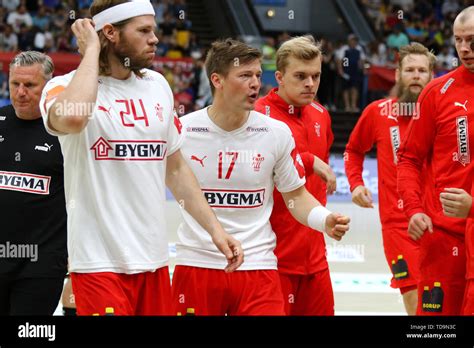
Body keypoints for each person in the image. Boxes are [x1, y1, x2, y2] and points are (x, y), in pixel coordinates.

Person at [39, 0, 243, 316]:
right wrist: (91, 51)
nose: (155, 39)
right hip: (98, 264)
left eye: (154, 30)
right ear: (110, 33)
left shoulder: (157, 86)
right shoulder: (63, 87)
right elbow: (73, 119)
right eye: (144, 30)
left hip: (154, 262)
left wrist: (214, 230)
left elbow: (175, 169)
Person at [172, 38, 350, 316]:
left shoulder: (276, 133)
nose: (255, 83)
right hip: (198, 262)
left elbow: (296, 196)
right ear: (216, 80)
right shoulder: (183, 131)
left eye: (257, 75)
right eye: (245, 76)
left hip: (259, 266)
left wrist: (323, 219)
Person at [345, 42, 436, 315]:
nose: (416, 75)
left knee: (439, 299)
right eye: (410, 70)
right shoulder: (377, 112)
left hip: (440, 221)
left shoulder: (444, 113)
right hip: (399, 226)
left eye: (422, 70)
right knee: (415, 295)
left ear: (432, 75)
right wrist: (356, 183)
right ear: (397, 75)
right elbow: (352, 150)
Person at [397, 6, 474, 315]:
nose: (465, 49)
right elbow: (409, 158)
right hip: (442, 239)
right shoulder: (437, 92)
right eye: (459, 41)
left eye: (472, 40)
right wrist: (414, 209)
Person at [255, 35, 340, 316]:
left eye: (316, 76)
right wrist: (307, 159)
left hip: (315, 257)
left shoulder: (321, 115)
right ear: (278, 76)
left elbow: (317, 184)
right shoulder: (257, 116)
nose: (310, 84)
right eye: (300, 76)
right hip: (271, 259)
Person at [0, 51, 67, 315]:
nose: (21, 92)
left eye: (29, 85)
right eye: (15, 84)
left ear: (48, 85)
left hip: (41, 264)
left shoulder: (64, 131)